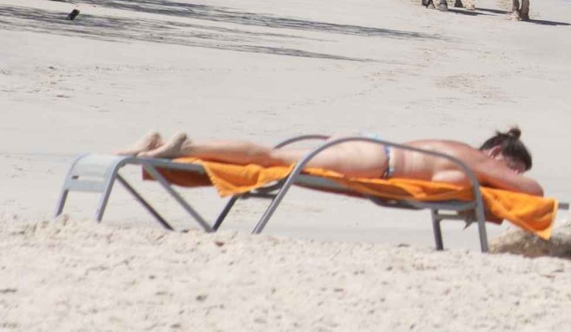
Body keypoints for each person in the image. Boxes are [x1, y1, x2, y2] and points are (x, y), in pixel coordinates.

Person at [115, 127, 543, 196]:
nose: (510, 177)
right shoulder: (478, 161)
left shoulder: (458, 153)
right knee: (272, 158)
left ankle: (160, 149)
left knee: (273, 158)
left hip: (373, 153)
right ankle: (186, 149)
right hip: (377, 160)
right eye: (511, 167)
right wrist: (508, 181)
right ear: (497, 154)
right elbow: (533, 191)